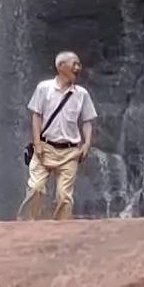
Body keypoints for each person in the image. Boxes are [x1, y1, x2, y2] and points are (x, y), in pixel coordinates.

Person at [22, 52, 98, 219]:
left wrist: (86, 144)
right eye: (74, 64)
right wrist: (37, 143)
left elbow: (87, 121)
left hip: (70, 151)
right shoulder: (44, 88)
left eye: (79, 64)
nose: (78, 68)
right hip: (45, 147)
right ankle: (26, 225)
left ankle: (60, 231)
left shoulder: (82, 94)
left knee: (65, 196)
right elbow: (37, 115)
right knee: (35, 188)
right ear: (60, 66)